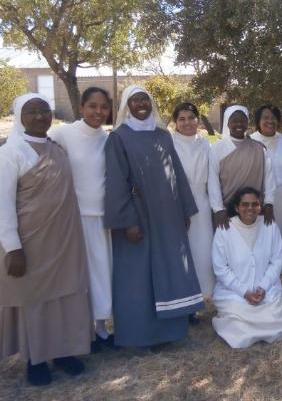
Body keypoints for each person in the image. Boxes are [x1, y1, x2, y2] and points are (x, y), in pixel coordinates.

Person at [0, 93, 92, 386]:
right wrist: (13, 248)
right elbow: (2, 205)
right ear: (18, 117)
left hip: (62, 240)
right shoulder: (9, 154)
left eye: (44, 110)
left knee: (65, 295)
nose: (39, 116)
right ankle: (35, 360)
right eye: (32, 111)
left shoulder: (57, 149)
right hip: (29, 243)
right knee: (33, 300)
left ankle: (63, 353)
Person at [104, 86, 203, 348]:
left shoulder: (163, 136)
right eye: (134, 100)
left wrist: (184, 209)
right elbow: (116, 181)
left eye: (145, 99)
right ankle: (140, 335)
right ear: (126, 106)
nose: (140, 104)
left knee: (169, 269)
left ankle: (170, 331)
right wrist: (128, 221)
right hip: (138, 216)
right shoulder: (118, 137)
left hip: (168, 215)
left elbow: (177, 173)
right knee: (139, 276)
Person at [48, 87, 114, 350]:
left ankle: (100, 329)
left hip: (103, 219)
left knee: (102, 275)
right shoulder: (63, 133)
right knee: (80, 276)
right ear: (81, 107)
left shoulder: (108, 138)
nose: (98, 112)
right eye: (92, 106)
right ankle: (82, 331)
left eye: (104, 107)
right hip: (74, 219)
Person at [211, 187, 282, 348]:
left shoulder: (270, 226)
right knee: (238, 316)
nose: (250, 208)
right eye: (245, 204)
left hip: (266, 290)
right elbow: (220, 268)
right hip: (235, 292)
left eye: (255, 204)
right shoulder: (224, 230)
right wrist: (244, 292)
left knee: (275, 313)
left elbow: (276, 261)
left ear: (260, 206)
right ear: (236, 207)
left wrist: (262, 288)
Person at [171, 102, 216, 302]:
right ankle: (184, 297)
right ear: (174, 122)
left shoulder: (206, 143)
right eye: (182, 119)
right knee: (182, 254)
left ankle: (204, 295)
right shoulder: (168, 143)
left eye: (191, 118)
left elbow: (214, 178)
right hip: (178, 207)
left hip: (203, 205)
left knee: (203, 252)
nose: (187, 123)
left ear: (198, 119)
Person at [208, 105, 276, 229]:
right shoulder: (217, 149)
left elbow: (269, 178)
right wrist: (218, 209)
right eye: (234, 120)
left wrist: (269, 204)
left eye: (243, 120)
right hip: (227, 213)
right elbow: (213, 181)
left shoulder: (259, 148)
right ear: (227, 123)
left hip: (255, 211)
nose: (239, 124)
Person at [250, 104, 282, 246]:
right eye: (265, 118)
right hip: (258, 200)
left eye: (273, 118)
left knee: (281, 239)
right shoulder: (249, 142)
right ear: (258, 121)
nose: (270, 121)